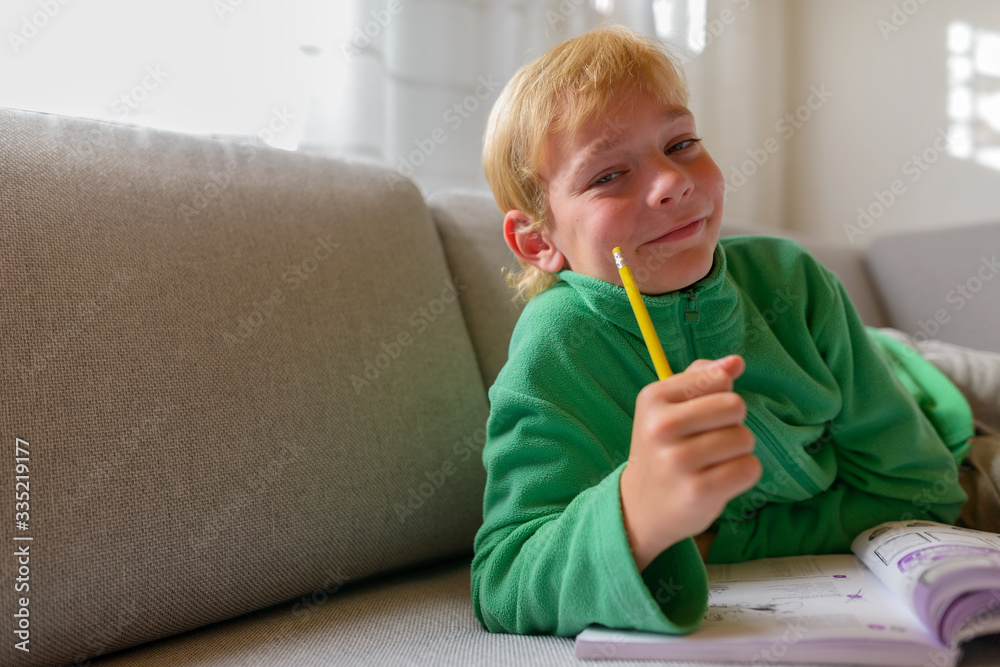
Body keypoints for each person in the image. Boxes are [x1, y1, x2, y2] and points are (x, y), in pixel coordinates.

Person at [470, 24, 985, 638]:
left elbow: (923, 488)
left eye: (681, 143)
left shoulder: (792, 278)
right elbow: (503, 577)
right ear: (538, 240)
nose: (673, 182)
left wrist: (718, 536)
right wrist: (637, 512)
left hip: (933, 390)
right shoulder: (556, 350)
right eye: (608, 175)